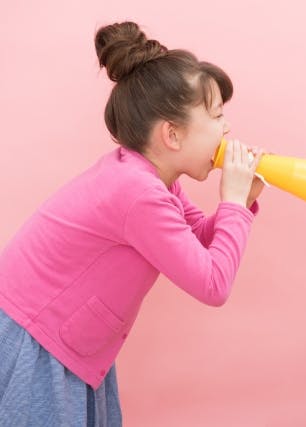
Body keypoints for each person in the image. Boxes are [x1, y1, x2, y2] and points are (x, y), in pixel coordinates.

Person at [0, 21, 264, 426]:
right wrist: (230, 203)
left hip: (68, 342)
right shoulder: (136, 192)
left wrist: (240, 204)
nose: (226, 128)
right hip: (35, 341)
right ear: (172, 135)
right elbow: (213, 284)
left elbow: (199, 240)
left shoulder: (152, 180)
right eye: (216, 115)